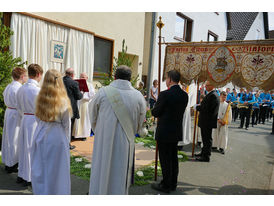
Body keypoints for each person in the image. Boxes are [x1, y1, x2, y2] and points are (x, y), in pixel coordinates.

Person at [88, 65, 146, 195]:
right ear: (130, 79)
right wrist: (132, 131)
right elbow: (140, 121)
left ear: (115, 76)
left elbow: (92, 114)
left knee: (102, 170)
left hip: (104, 140)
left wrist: (100, 130)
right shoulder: (138, 96)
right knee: (120, 173)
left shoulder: (103, 92)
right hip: (125, 142)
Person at [31, 69, 72, 195]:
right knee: (57, 169)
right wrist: (66, 141)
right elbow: (66, 124)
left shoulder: (39, 98)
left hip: (41, 132)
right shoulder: (63, 101)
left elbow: (37, 118)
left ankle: (42, 192)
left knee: (41, 165)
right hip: (57, 135)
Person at [151, 70, 188, 193]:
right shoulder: (184, 95)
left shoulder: (165, 94)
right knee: (173, 158)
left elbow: (156, 112)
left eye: (166, 78)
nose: (166, 81)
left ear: (171, 79)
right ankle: (173, 183)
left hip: (164, 131)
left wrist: (153, 108)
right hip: (176, 131)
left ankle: (166, 185)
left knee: (165, 159)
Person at [16, 64, 43, 186]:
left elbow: (19, 107)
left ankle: (22, 174)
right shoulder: (37, 90)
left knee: (23, 147)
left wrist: (24, 116)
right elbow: (42, 109)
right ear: (38, 74)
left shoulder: (21, 88)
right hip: (34, 121)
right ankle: (30, 176)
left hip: (25, 119)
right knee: (32, 149)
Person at [1, 67, 28, 174]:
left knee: (9, 137)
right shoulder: (18, 88)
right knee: (15, 139)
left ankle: (8, 162)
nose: (26, 78)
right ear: (22, 77)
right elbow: (20, 105)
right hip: (16, 114)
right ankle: (13, 163)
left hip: (9, 112)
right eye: (26, 75)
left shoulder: (9, 86)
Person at [194, 80, 220, 162]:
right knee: (204, 139)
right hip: (206, 120)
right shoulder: (211, 94)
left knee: (207, 139)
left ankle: (206, 156)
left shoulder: (213, 95)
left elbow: (207, 108)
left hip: (207, 121)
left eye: (207, 85)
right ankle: (203, 153)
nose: (205, 87)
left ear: (212, 86)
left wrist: (198, 107)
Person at [63, 68, 83, 149]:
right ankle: (68, 144)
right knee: (69, 126)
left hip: (60, 106)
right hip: (70, 107)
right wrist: (81, 93)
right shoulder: (74, 83)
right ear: (72, 75)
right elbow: (78, 96)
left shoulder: (60, 81)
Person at [73, 72, 95, 141]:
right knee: (77, 119)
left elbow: (92, 94)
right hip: (78, 103)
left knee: (84, 119)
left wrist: (83, 95)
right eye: (81, 77)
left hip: (85, 103)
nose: (82, 78)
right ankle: (75, 134)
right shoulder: (77, 84)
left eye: (83, 77)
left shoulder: (90, 85)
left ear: (87, 78)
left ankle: (83, 135)